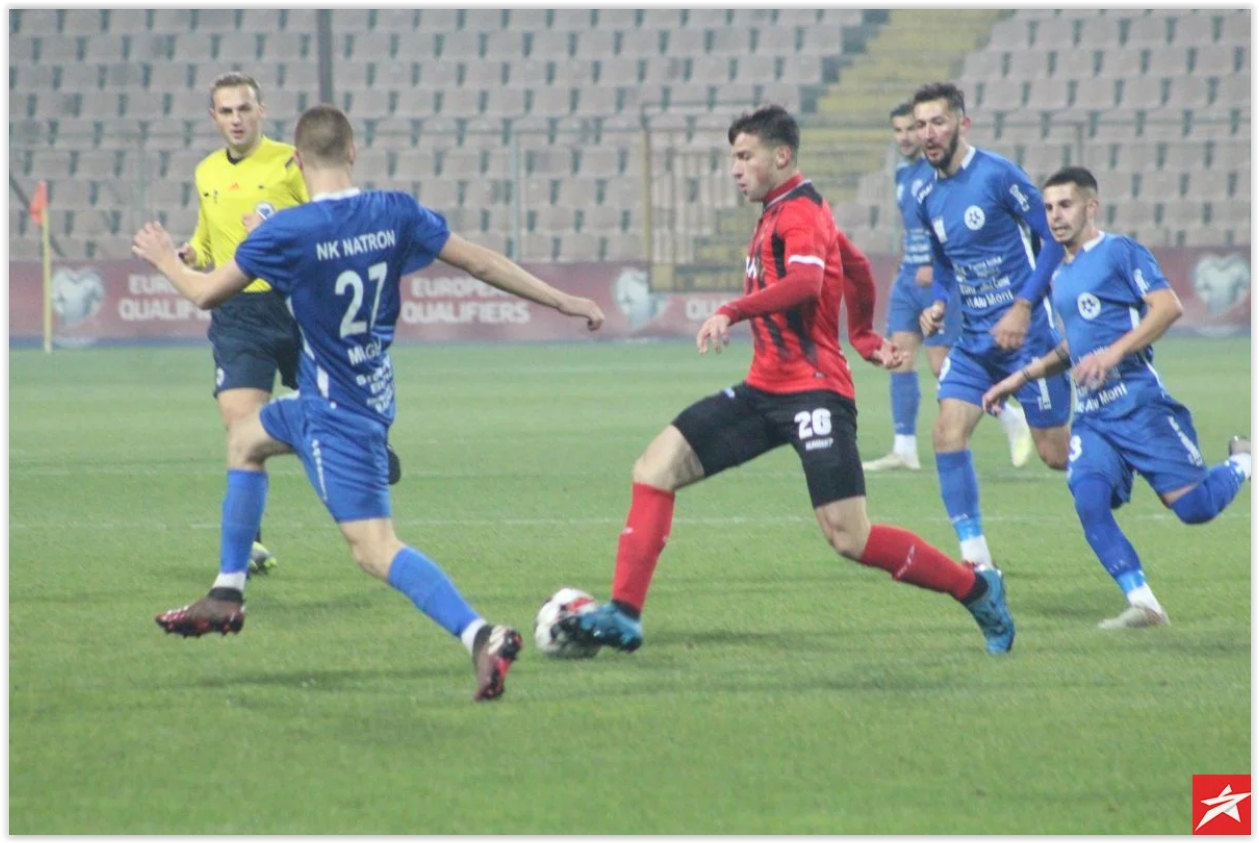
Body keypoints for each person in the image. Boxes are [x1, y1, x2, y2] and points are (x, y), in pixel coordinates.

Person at [133, 104, 606, 700]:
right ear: (353, 152)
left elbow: (205, 293)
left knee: (374, 550)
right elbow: (480, 261)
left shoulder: (288, 231)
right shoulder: (394, 212)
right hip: (359, 391)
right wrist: (564, 300)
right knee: (246, 437)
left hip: (335, 416)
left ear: (295, 161)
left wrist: (163, 258)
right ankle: (227, 591)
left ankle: (481, 634)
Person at [561, 105, 1015, 657]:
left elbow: (805, 284)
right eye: (733, 157)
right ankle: (625, 614)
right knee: (656, 467)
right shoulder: (787, 210)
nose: (735, 168)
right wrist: (863, 335)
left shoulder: (798, 212)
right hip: (764, 390)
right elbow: (855, 266)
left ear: (781, 156)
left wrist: (733, 310)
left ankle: (977, 589)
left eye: (745, 156)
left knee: (850, 537)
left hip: (815, 393)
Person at [982, 167, 1251, 628]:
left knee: (1194, 508)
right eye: (1048, 208)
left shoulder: (1120, 252)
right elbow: (1074, 347)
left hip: (1139, 405)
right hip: (1093, 416)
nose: (1055, 216)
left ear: (1091, 207)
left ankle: (1244, 459)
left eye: (1065, 205)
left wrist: (1113, 353)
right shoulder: (1060, 273)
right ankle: (1145, 604)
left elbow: (1167, 307)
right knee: (1089, 499)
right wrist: (1020, 378)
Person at [183, 71, 401, 578]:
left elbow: (328, 218)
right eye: (226, 111)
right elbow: (207, 240)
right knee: (240, 427)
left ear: (261, 111)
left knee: (335, 406)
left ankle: (366, 445)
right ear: (213, 118)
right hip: (239, 312)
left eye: (244, 108)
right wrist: (191, 254)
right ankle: (249, 544)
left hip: (298, 303)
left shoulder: (291, 162)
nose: (236, 119)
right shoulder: (206, 172)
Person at [911, 81, 1073, 571]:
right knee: (946, 433)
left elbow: (1053, 239)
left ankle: (1133, 446)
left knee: (1055, 455)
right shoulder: (926, 196)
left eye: (938, 122)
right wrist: (938, 304)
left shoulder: (999, 175)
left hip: (1030, 338)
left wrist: (1023, 307)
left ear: (962, 123)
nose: (928, 133)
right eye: (921, 125)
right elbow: (944, 264)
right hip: (976, 342)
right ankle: (977, 562)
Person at [863, 102, 1033, 473]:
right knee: (898, 356)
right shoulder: (902, 174)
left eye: (911, 129)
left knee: (942, 366)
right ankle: (904, 448)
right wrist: (905, 261)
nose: (906, 137)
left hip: (937, 279)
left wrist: (936, 265)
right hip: (908, 278)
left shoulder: (938, 171)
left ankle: (1008, 414)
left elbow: (949, 229)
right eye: (898, 130)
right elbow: (915, 227)